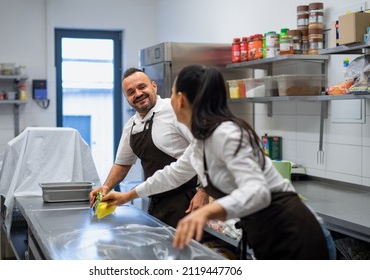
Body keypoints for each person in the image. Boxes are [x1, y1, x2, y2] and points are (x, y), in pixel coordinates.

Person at [100, 64, 335, 260]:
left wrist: (205, 212)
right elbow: (171, 174)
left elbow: (258, 192)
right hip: (267, 233)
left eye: (171, 93)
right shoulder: (202, 141)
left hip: (294, 231)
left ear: (180, 100)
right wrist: (127, 196)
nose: (168, 99)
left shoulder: (227, 133)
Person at [89, 67, 209, 228]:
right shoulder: (131, 126)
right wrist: (106, 186)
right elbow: (122, 164)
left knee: (185, 251)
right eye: (131, 92)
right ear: (127, 98)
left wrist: (204, 191)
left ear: (154, 86)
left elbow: (205, 147)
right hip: (156, 199)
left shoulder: (174, 110)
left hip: (188, 199)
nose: (138, 94)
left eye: (142, 87)